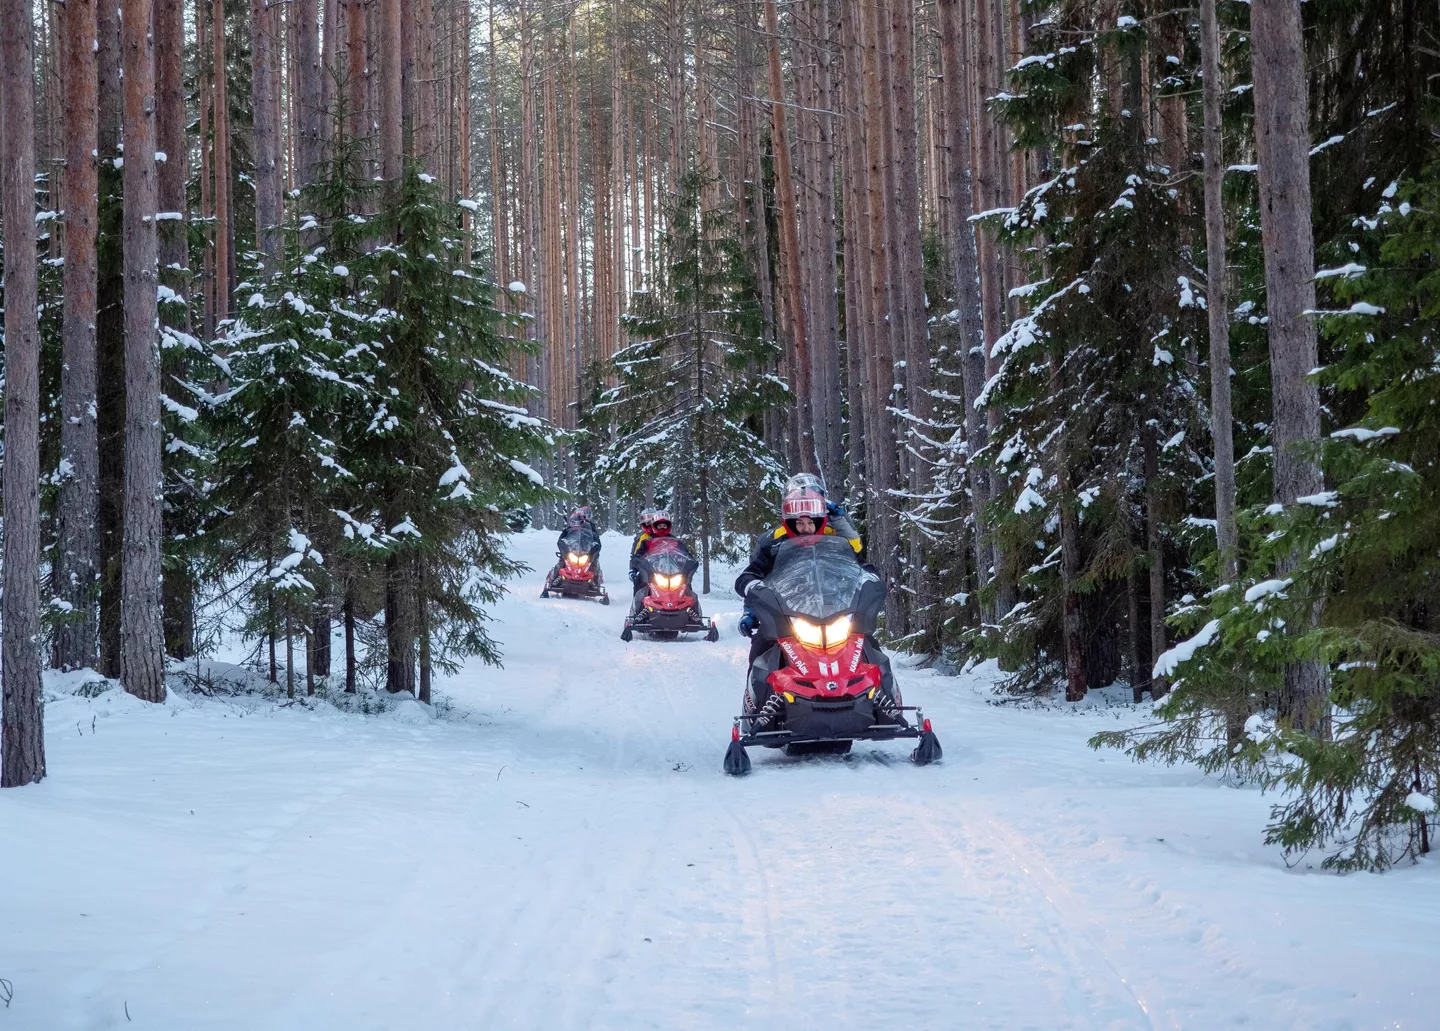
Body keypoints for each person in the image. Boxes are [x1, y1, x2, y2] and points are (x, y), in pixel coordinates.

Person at [629, 509, 676, 613]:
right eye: (660, 526)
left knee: (685, 583)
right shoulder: (646, 540)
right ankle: (637, 609)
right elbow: (636, 555)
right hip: (652, 568)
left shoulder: (674, 540)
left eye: (664, 525)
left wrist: (687, 563)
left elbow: (683, 553)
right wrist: (634, 568)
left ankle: (690, 610)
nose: (662, 528)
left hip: (671, 570)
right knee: (640, 581)